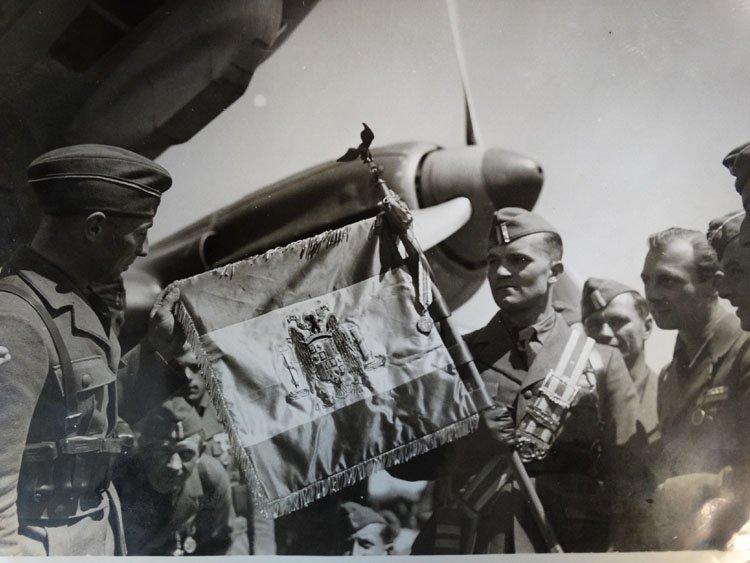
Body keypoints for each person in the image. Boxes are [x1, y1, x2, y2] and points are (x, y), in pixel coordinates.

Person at [403, 208, 638, 554]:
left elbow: (629, 470)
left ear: (554, 272)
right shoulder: (457, 356)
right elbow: (403, 461)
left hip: (566, 543)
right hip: (477, 543)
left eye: (518, 260)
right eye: (493, 260)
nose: (500, 272)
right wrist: (466, 439)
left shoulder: (601, 360)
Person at [0, 144, 186, 555]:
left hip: (93, 535)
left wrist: (155, 351)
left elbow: (93, 422)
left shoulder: (71, 304)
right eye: (141, 231)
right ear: (95, 227)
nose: (145, 249)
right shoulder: (16, 319)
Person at [640, 227, 750, 549]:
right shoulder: (668, 376)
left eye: (667, 280)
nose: (652, 294)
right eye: (647, 280)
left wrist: (686, 490)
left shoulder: (744, 354)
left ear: (713, 284)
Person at [117, 396, 248, 555]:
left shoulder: (211, 479)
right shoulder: (120, 479)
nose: (174, 465)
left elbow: (220, 542)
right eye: (163, 451)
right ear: (144, 448)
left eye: (186, 453)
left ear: (200, 452)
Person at [176, 347, 276, 554]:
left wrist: (264, 552)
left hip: (230, 544)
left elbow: (259, 495)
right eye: (180, 369)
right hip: (185, 544)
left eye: (195, 368)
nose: (187, 377)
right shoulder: (166, 420)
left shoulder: (234, 418)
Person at [581, 278, 657, 442]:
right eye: (595, 324)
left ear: (647, 327)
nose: (605, 333)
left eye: (617, 322)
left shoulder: (665, 393)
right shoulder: (577, 396)